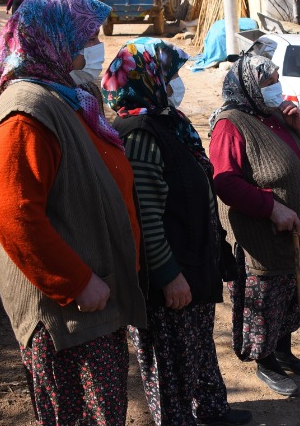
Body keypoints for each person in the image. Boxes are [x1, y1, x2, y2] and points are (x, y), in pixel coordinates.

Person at [0, 0, 147, 425]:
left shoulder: (66, 98)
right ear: (55, 40)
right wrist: (76, 282)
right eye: (87, 36)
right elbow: (13, 213)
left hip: (95, 302)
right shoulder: (25, 112)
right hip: (68, 316)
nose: (97, 47)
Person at [105, 38, 252, 426]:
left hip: (194, 260)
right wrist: (170, 276)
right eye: (169, 76)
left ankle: (210, 410)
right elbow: (146, 215)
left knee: (197, 347)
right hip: (169, 273)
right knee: (170, 363)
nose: (175, 84)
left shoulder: (168, 122)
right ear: (147, 79)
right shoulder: (138, 133)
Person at [208, 54, 300, 397]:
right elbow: (225, 182)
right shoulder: (231, 124)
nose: (276, 86)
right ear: (247, 86)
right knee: (267, 303)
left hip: (298, 232)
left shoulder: (276, 114)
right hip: (263, 236)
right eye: (268, 81)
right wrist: (271, 208)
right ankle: (265, 361)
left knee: (294, 296)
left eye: (276, 79)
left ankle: (283, 350)